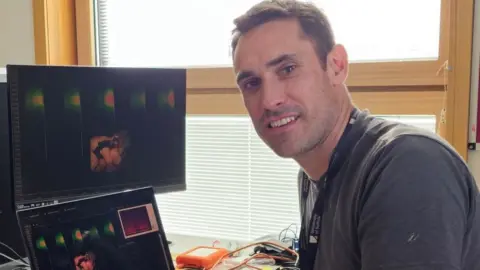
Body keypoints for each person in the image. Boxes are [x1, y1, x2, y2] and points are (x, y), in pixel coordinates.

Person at [231, 0, 480, 269]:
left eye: (288, 69)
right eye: (252, 83)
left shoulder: (407, 166)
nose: (270, 100)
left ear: (337, 65)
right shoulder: (313, 176)